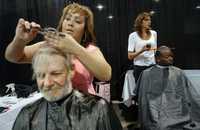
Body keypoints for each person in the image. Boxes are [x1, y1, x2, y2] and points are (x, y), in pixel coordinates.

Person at [5, 3, 111, 95]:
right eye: (67, 19)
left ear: (85, 30)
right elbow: (13, 57)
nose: (70, 23)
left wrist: (75, 48)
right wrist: (19, 40)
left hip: (83, 106)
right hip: (54, 106)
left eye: (77, 21)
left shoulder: (91, 50)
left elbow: (106, 75)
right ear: (62, 23)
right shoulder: (48, 46)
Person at [12, 46, 122, 130]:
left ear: (71, 71)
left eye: (55, 73)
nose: (47, 83)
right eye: (41, 75)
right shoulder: (27, 115)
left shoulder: (98, 110)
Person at [136, 46, 200, 130]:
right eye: (167, 57)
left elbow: (190, 92)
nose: (171, 58)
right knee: (159, 126)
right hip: (155, 111)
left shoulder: (178, 72)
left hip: (178, 110)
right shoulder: (146, 74)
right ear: (158, 59)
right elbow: (142, 97)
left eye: (172, 56)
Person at [128, 12, 157, 82]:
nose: (149, 22)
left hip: (152, 66)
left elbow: (155, 49)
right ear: (140, 22)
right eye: (146, 20)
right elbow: (130, 56)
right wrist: (142, 50)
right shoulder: (133, 35)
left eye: (149, 20)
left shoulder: (154, 33)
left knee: (152, 90)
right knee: (141, 90)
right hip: (139, 67)